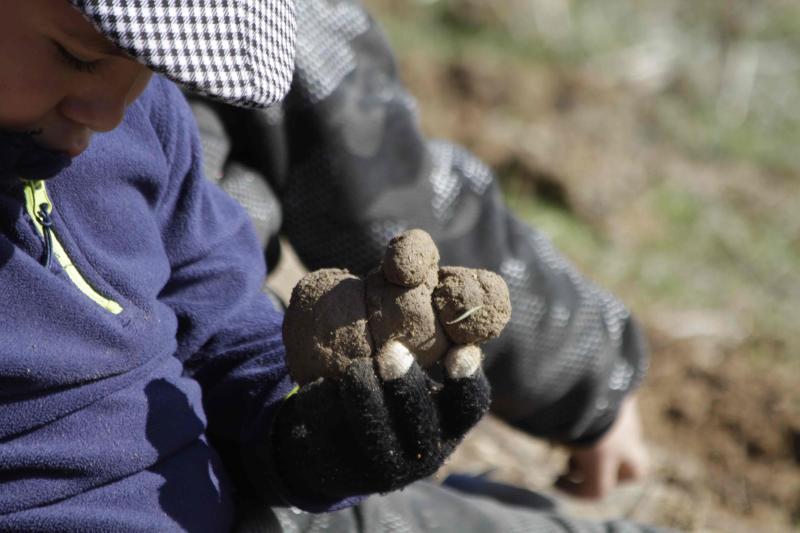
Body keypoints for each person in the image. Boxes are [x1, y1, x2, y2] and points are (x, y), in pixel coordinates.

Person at [0, 1, 657, 532]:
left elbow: (222, 323)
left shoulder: (145, 123)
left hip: (241, 497)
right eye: (77, 55)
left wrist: (306, 435)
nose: (111, 108)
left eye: (144, 65)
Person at [188, 0, 650, 511]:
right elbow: (369, 178)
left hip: (215, 403)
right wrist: (593, 378)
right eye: (81, 60)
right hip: (196, 448)